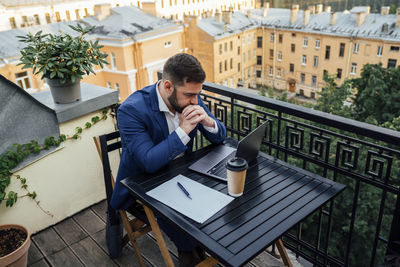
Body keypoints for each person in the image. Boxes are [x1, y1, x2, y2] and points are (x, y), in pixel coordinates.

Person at [111, 53, 226, 266]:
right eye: (190, 95)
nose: (195, 100)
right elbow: (149, 162)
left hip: (182, 175)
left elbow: (221, 137)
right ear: (167, 86)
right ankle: (190, 248)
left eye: (197, 94)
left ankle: (195, 245)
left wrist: (208, 120)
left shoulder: (192, 96)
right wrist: (183, 131)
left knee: (220, 197)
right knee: (185, 220)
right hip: (142, 183)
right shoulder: (131, 110)